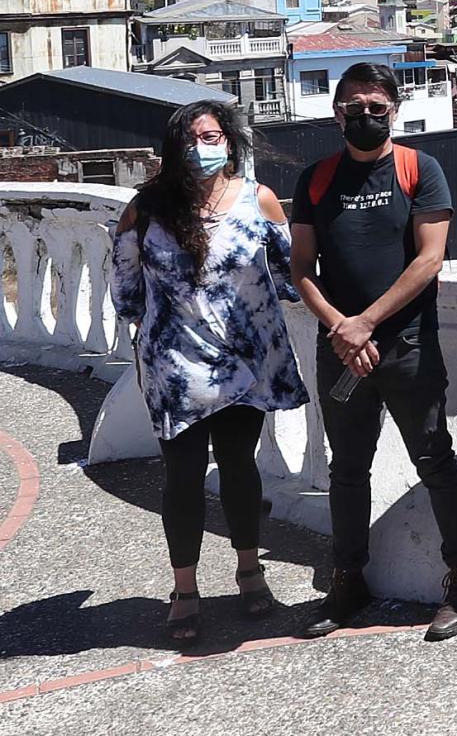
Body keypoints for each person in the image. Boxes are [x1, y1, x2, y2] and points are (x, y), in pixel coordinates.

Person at [290, 62, 457, 642]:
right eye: (355, 106)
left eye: (377, 107)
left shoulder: (417, 168)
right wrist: (341, 328)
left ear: (393, 111)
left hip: (407, 346)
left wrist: (367, 323)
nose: (366, 115)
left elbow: (429, 260)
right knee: (347, 469)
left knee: (434, 459)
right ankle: (347, 578)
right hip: (342, 349)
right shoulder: (316, 178)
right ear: (337, 112)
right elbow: (301, 267)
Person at [110, 100, 308, 643]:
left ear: (231, 142)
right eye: (194, 137)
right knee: (183, 477)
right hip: (176, 368)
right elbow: (125, 287)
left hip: (245, 363)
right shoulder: (147, 208)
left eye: (214, 135)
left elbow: (293, 275)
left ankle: (250, 571)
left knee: (240, 467)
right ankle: (185, 588)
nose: (204, 146)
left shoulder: (258, 201)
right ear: (175, 146)